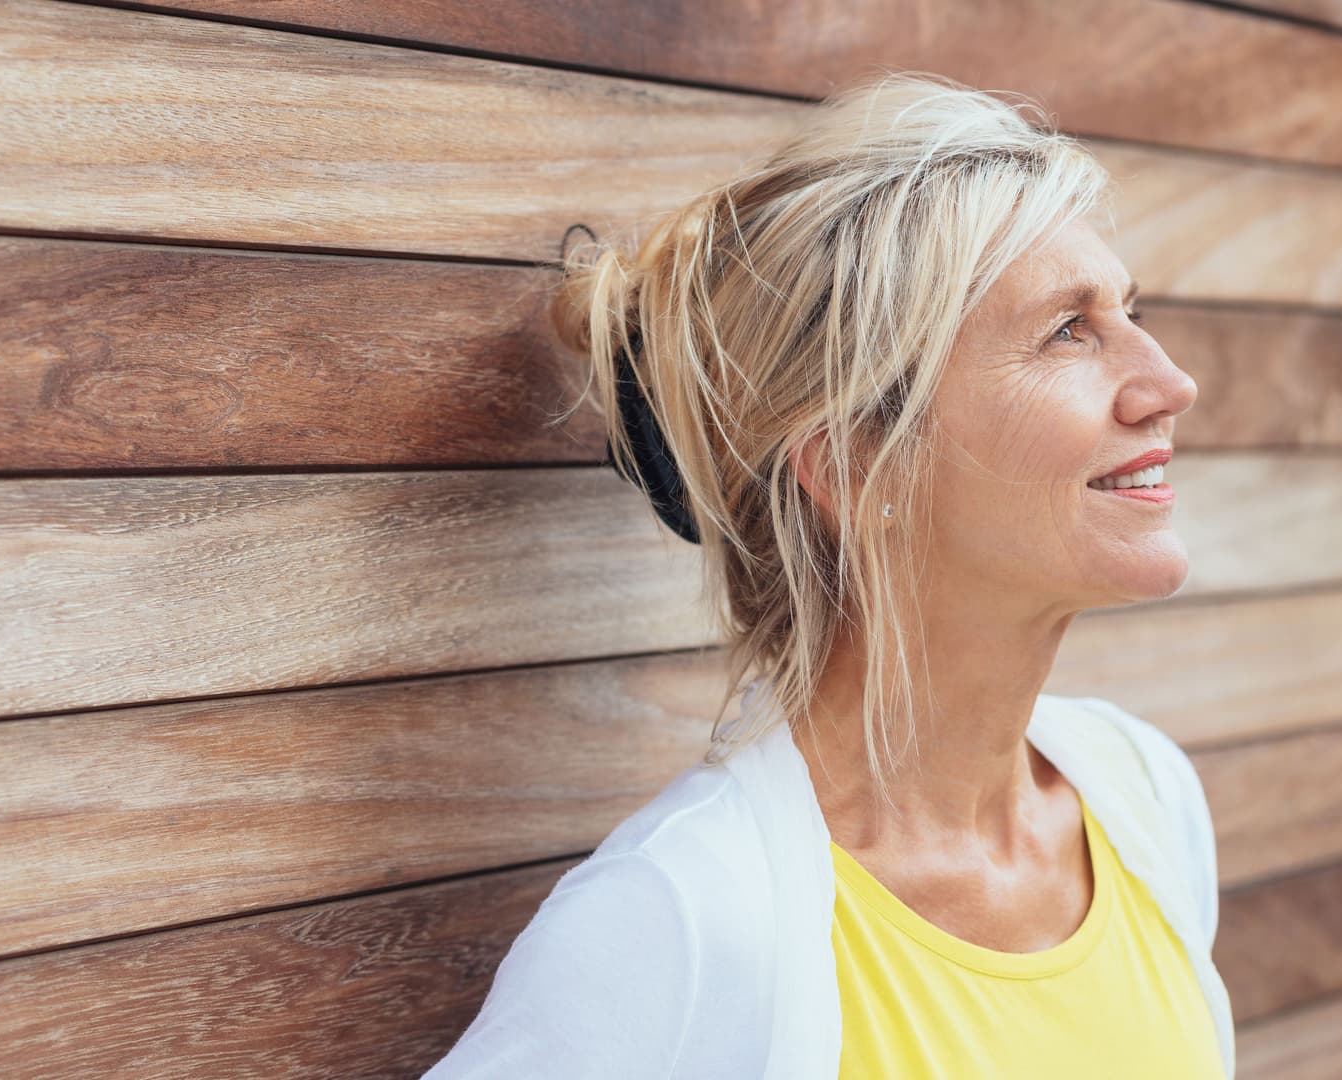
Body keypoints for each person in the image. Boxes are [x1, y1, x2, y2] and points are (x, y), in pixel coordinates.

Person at [422, 70, 1230, 1079]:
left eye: (1130, 312)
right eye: (1070, 330)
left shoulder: (1142, 797)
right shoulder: (677, 921)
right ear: (855, 466)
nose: (1169, 384)